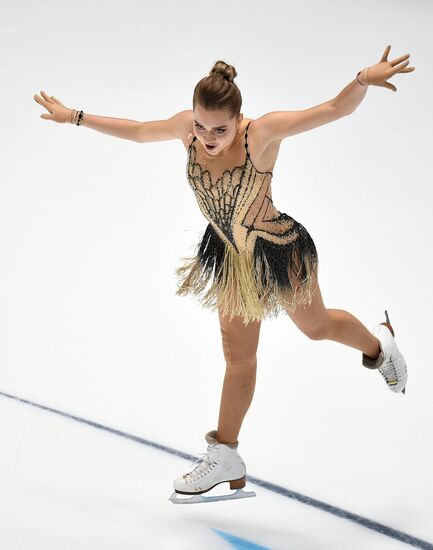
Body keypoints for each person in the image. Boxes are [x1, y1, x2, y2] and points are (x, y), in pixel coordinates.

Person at [33, 45, 414, 504]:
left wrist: (362, 79)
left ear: (238, 120)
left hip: (278, 250)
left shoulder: (263, 133)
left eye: (219, 128)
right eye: (200, 125)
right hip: (232, 259)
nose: (207, 136)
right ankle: (226, 455)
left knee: (317, 328)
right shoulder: (187, 130)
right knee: (238, 360)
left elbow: (332, 109)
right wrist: (73, 115)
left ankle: (380, 346)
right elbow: (136, 131)